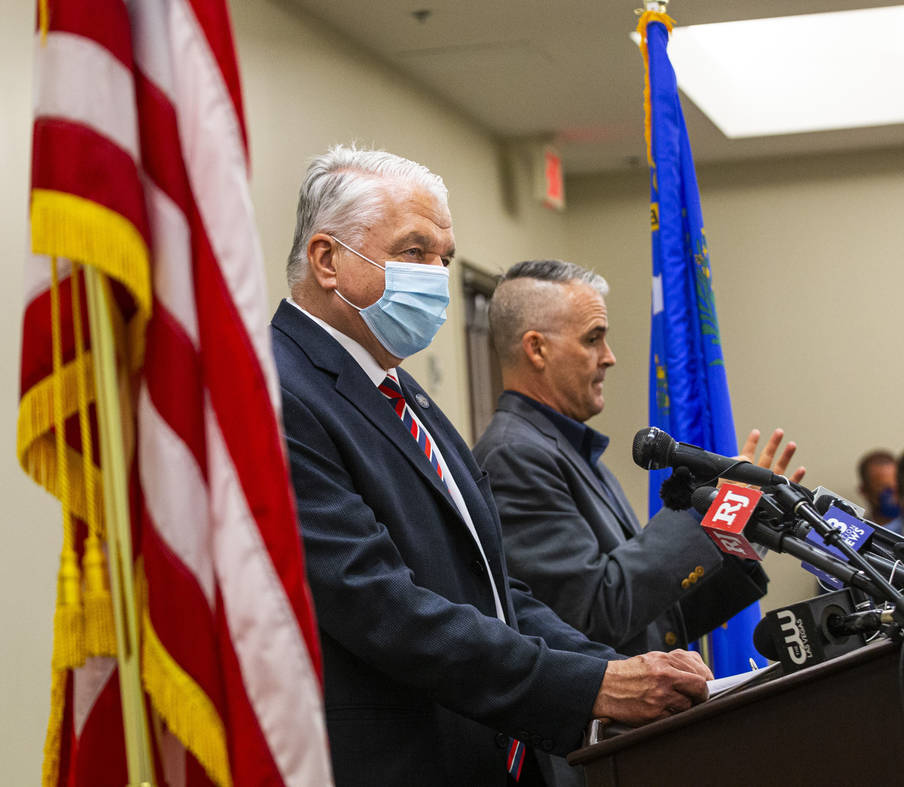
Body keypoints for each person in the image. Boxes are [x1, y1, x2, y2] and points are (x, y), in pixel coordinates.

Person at [271, 146, 714, 786]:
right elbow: (378, 604)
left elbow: (494, 592)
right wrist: (592, 684)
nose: (435, 275)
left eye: (443, 259)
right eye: (414, 251)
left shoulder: (400, 392)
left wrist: (605, 670)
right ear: (327, 260)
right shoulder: (280, 390)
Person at [474, 259, 807, 666]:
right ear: (537, 349)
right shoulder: (516, 455)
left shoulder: (564, 446)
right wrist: (711, 505)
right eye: (593, 339)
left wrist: (741, 527)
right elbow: (594, 617)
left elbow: (651, 621)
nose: (609, 357)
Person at [856, 448, 899, 525]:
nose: (893, 495)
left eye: (897, 486)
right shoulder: (858, 531)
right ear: (864, 491)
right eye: (884, 488)